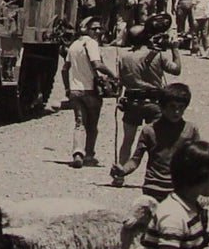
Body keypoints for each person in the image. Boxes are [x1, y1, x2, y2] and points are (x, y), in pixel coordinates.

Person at [114, 16, 182, 176]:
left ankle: (119, 174)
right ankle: (158, 173)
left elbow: (120, 82)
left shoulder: (123, 57)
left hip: (132, 101)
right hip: (154, 102)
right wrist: (175, 49)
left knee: (127, 141)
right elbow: (176, 70)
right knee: (158, 140)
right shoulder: (157, 55)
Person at [110, 83, 199, 199]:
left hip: (179, 189)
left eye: (180, 107)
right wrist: (123, 170)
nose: (176, 112)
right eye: (172, 107)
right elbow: (135, 160)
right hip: (153, 188)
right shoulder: (149, 131)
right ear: (162, 107)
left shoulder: (191, 130)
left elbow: (198, 162)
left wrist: (200, 189)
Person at [62, 18, 116, 169]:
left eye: (99, 28)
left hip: (75, 90)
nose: (97, 31)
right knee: (92, 124)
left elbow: (65, 69)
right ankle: (89, 155)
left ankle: (77, 153)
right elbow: (96, 64)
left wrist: (67, 88)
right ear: (85, 29)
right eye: (94, 29)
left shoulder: (74, 45)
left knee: (80, 122)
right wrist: (113, 75)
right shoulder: (91, 44)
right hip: (90, 90)